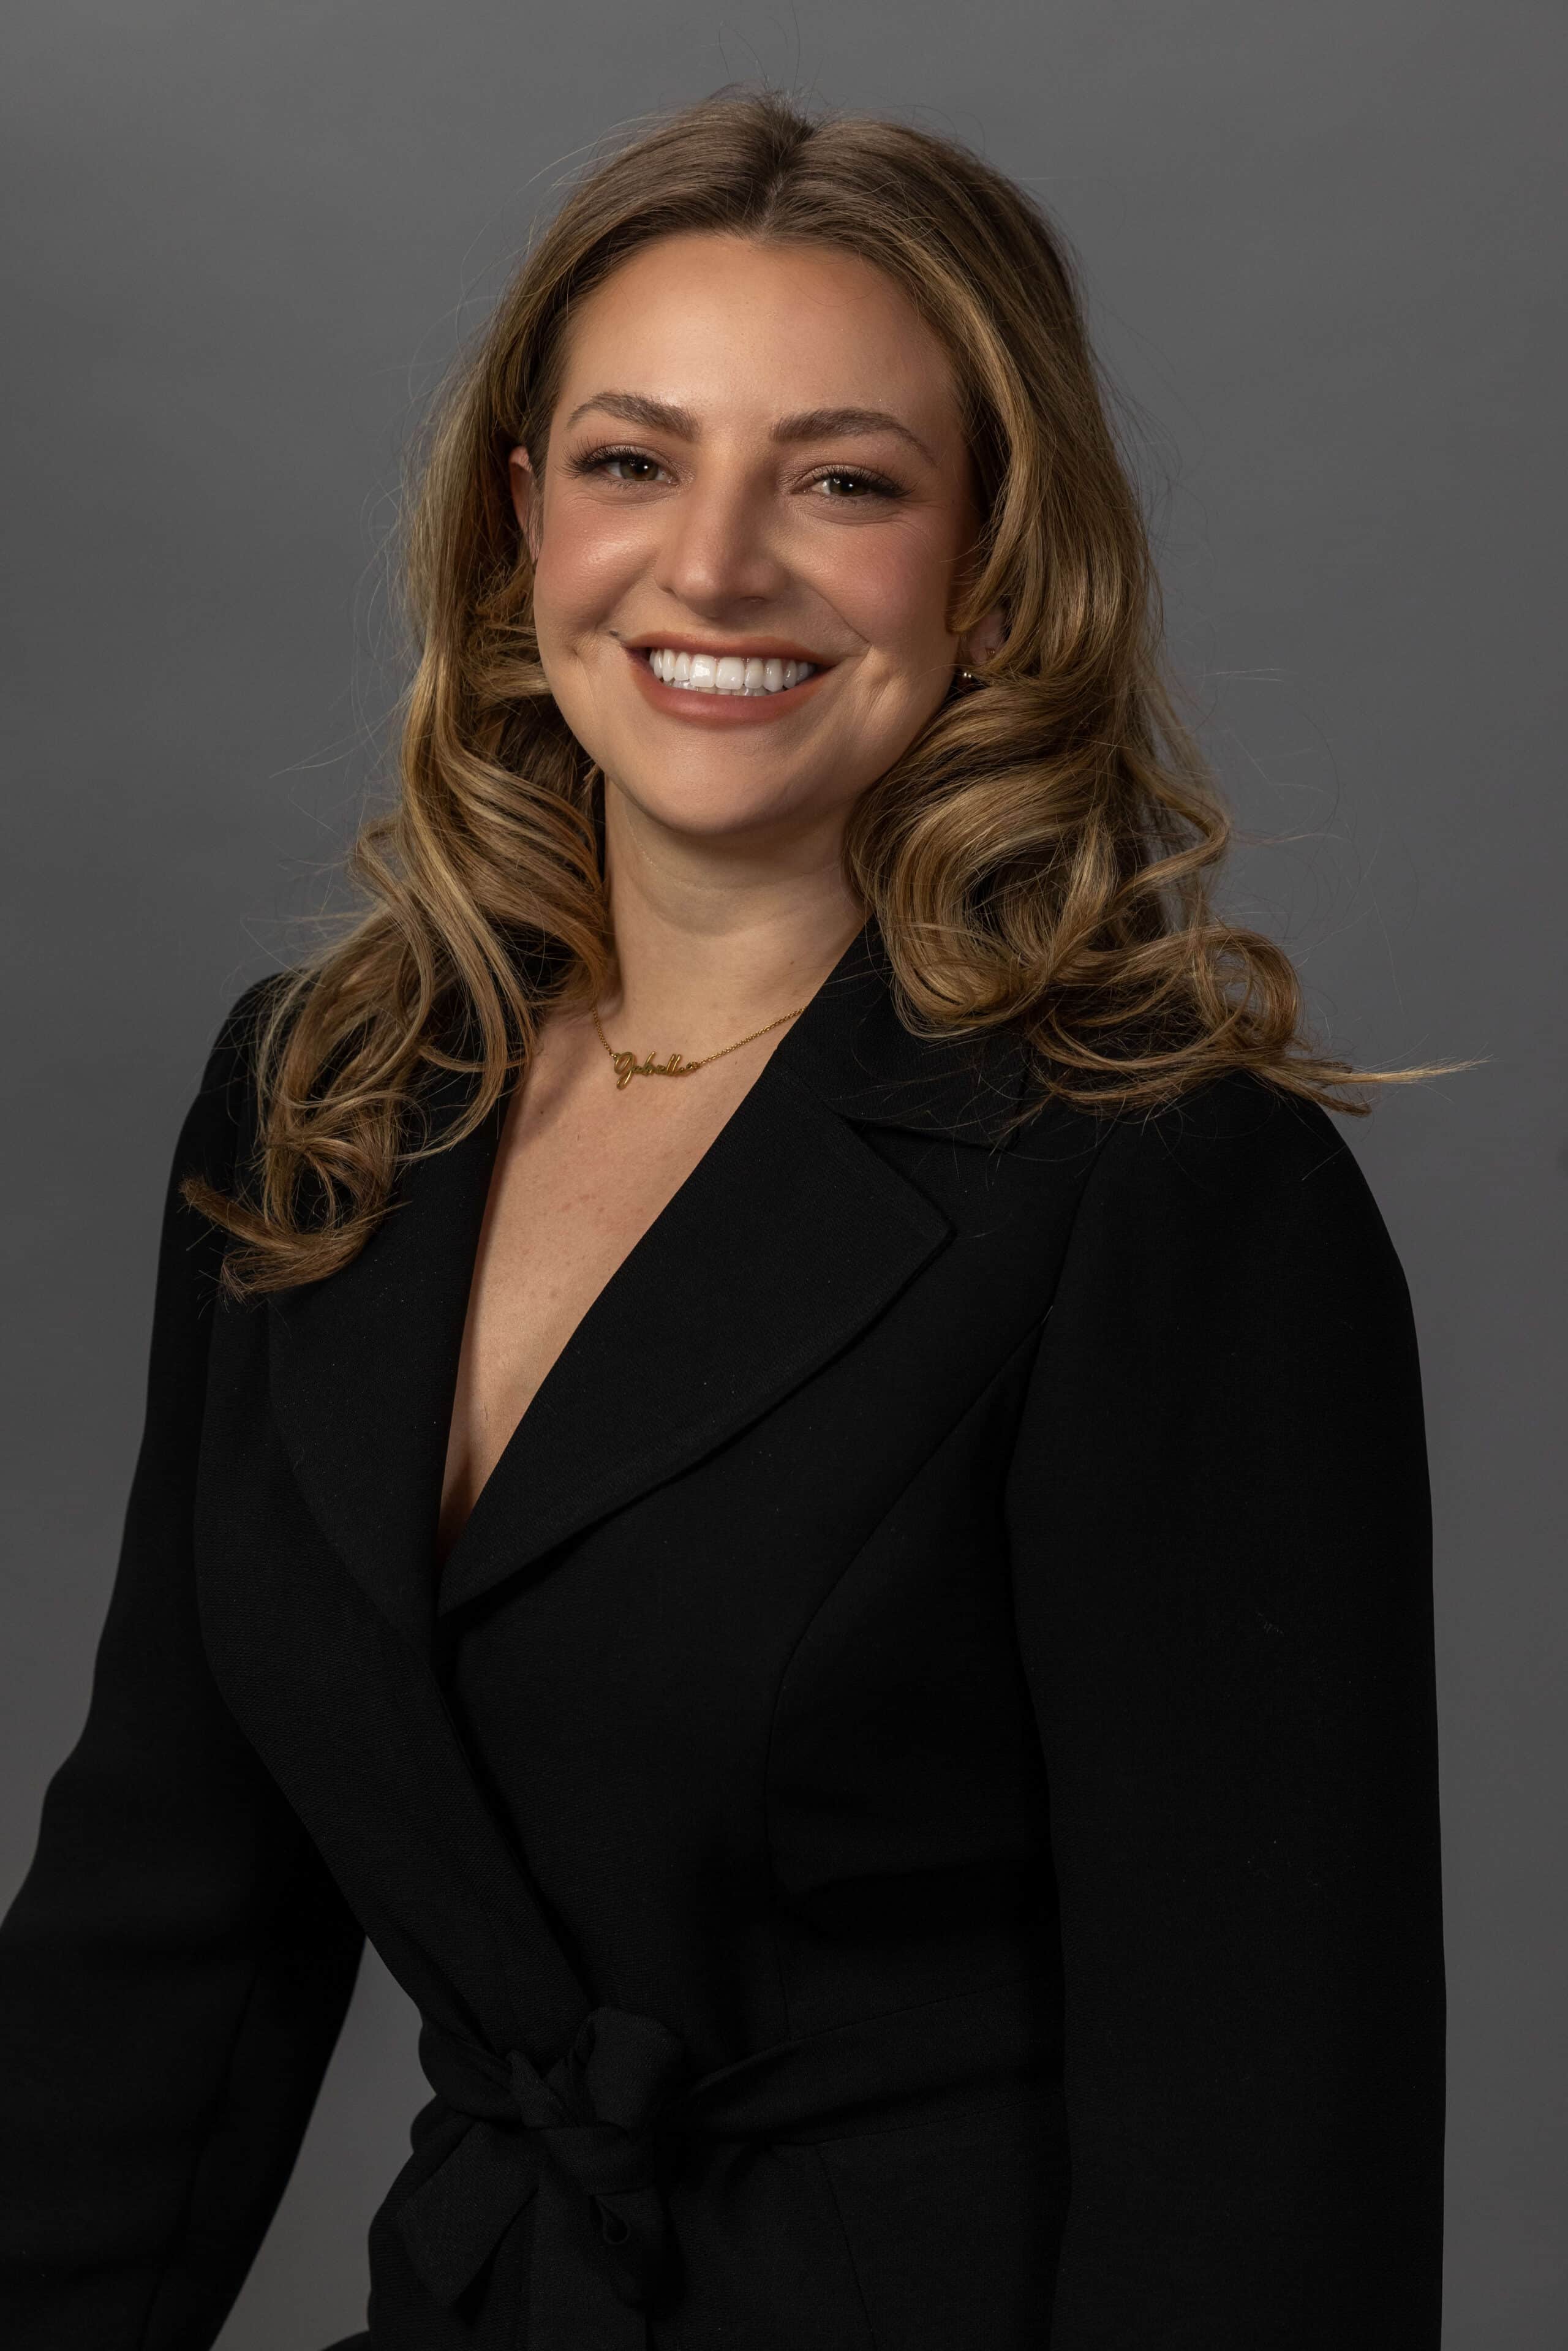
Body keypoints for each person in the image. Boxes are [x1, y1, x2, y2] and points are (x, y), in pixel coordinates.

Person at [0, 85, 1446, 2351]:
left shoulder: (1168, 1194)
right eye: (631, 459)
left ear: (993, 573)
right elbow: (157, 1941)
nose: (714, 566)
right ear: (520, 525)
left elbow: (1269, 2148)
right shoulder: (322, 1098)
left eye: (846, 480)